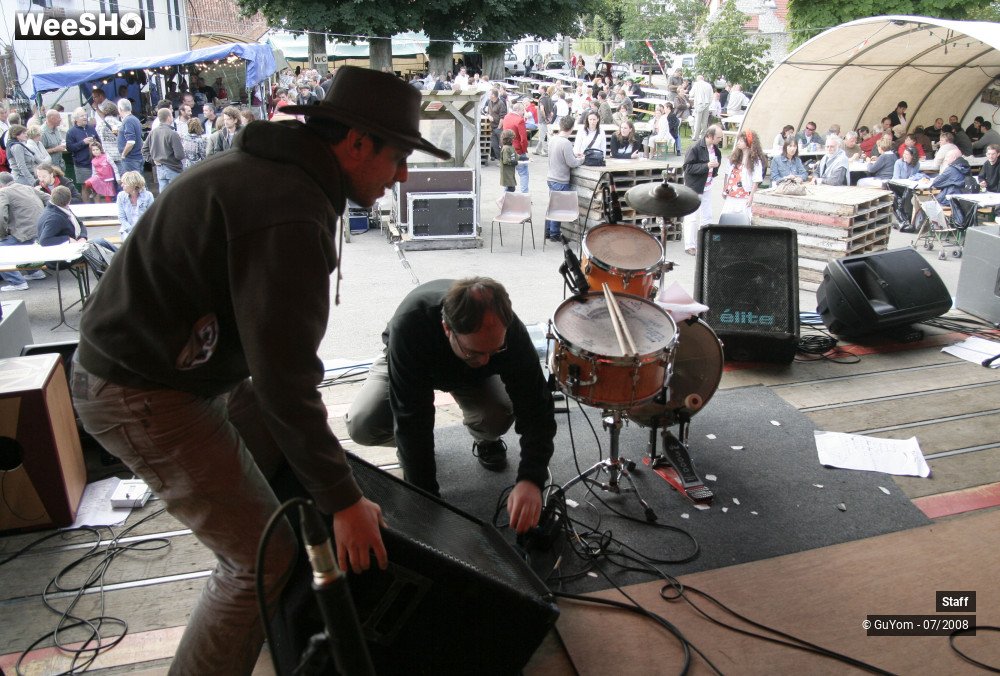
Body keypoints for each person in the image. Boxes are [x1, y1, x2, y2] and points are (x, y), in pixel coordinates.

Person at [70, 66, 450, 674]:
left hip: (167, 373)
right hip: (140, 391)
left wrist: (331, 489)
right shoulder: (289, 209)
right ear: (355, 143)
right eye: (399, 156)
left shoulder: (282, 177)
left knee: (282, 469)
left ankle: (274, 629)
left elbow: (276, 371)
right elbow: (285, 380)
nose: (402, 175)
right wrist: (344, 502)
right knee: (257, 560)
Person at [345, 277, 555, 532]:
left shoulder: (509, 333)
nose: (487, 360)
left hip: (471, 377)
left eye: (495, 350)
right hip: (413, 363)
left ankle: (485, 440)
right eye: (476, 352)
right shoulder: (410, 327)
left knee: (497, 417)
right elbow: (412, 419)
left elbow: (536, 407)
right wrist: (427, 503)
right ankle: (409, 455)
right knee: (363, 424)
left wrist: (531, 479)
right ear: (447, 328)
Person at [0, 171, 48, 292]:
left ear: (1, 185)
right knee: (20, 240)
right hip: (40, 231)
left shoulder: (3, 192)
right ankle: (35, 271)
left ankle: (17, 282)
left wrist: (2, 234)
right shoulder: (27, 188)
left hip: (24, 234)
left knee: (4, 247)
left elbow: (1, 217)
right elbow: (50, 198)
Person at [682, 125, 722, 256]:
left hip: (707, 186)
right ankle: (690, 245)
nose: (720, 140)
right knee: (692, 217)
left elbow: (717, 164)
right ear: (709, 136)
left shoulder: (716, 150)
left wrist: (714, 169)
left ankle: (705, 243)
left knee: (707, 215)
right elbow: (687, 168)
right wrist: (706, 166)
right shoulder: (695, 148)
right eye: (718, 137)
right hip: (694, 187)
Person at [545, 116, 583, 240]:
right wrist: (582, 159)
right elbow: (571, 163)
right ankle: (555, 234)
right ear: (571, 128)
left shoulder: (553, 139)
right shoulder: (566, 143)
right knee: (558, 207)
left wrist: (572, 154)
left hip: (551, 177)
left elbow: (559, 155)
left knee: (552, 204)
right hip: (561, 178)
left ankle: (548, 230)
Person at [720, 130, 765, 221]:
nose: (738, 143)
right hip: (731, 194)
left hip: (744, 195)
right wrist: (725, 189)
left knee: (743, 219)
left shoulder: (755, 160)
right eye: (738, 140)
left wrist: (751, 196)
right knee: (726, 218)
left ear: (748, 142)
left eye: (741, 141)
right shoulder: (734, 156)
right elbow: (727, 173)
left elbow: (756, 180)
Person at [142, 108, 185, 192]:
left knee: (163, 196)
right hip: (173, 169)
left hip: (159, 168)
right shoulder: (172, 134)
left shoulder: (153, 132)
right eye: (171, 115)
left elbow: (144, 150)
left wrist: (153, 161)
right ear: (169, 117)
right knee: (176, 195)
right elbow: (179, 155)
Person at [115, 170, 154, 240]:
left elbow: (151, 216)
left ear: (132, 184)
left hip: (144, 229)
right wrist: (131, 230)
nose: (122, 185)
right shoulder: (121, 196)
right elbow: (121, 218)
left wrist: (141, 231)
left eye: (124, 183)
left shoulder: (148, 195)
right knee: (129, 240)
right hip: (127, 230)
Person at [500, 102, 529, 193]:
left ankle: (506, 195)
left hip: (507, 149)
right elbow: (523, 139)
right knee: (523, 173)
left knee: (509, 174)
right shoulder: (520, 120)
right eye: (522, 111)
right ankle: (524, 194)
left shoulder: (506, 117)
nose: (523, 113)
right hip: (518, 150)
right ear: (518, 110)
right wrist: (524, 151)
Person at [66, 108, 98, 185]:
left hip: (96, 163)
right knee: (85, 187)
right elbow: (69, 148)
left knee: (97, 187)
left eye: (85, 115)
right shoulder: (71, 132)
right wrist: (83, 143)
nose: (84, 117)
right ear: (76, 119)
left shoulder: (91, 128)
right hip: (82, 165)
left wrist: (94, 143)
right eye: (81, 116)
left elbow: (99, 142)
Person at [116, 99, 144, 174]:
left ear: (120, 109)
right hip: (137, 157)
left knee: (133, 183)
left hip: (131, 159)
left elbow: (131, 142)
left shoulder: (128, 121)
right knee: (138, 182)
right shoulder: (135, 119)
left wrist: (123, 154)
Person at [689, 75, 713, 141]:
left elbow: (691, 94)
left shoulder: (696, 84)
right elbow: (711, 96)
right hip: (707, 104)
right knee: (704, 121)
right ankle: (703, 136)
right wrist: (709, 103)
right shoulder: (708, 85)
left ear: (698, 79)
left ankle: (695, 136)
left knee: (697, 121)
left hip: (699, 104)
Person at [534, 86, 554, 156]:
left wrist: (544, 117)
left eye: (539, 88)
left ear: (543, 89)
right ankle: (538, 150)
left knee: (543, 136)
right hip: (548, 119)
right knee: (542, 135)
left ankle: (546, 151)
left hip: (543, 120)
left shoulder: (542, 98)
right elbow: (552, 112)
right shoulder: (549, 98)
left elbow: (542, 109)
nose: (538, 90)